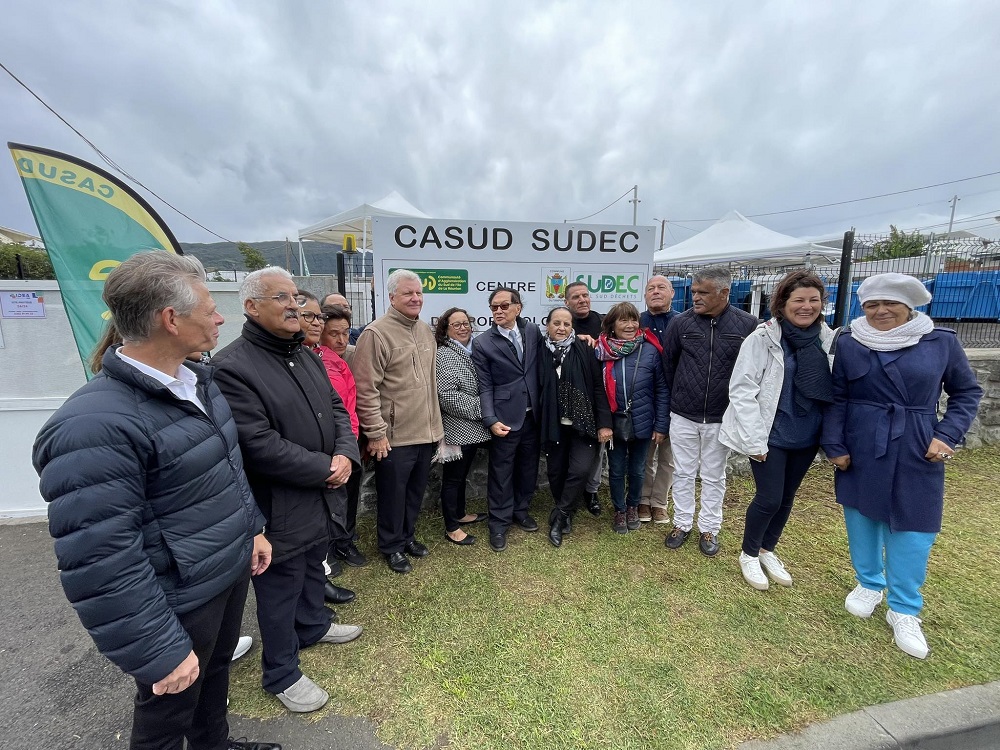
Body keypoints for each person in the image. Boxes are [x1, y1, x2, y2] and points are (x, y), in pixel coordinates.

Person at [33, 251, 279, 750]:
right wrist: (158, 648)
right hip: (178, 597)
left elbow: (224, 469)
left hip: (222, 572)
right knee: (166, 716)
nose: (220, 318)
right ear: (171, 319)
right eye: (210, 308)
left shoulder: (197, 382)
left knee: (214, 677)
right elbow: (101, 558)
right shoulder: (93, 425)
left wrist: (250, 528)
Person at [212, 266, 363, 714]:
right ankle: (281, 672)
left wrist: (345, 454)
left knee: (314, 564)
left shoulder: (305, 353)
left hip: (321, 490)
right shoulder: (232, 366)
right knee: (279, 588)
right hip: (278, 501)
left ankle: (313, 624)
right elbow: (258, 444)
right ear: (251, 306)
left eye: (295, 296)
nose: (294, 306)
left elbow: (336, 408)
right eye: (280, 297)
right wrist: (324, 468)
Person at [821, 273, 981, 659]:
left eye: (889, 303)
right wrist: (834, 443)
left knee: (914, 525)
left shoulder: (940, 341)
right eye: (872, 304)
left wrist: (947, 435)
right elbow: (838, 396)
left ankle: (905, 608)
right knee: (861, 515)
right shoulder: (851, 340)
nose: (880, 311)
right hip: (862, 441)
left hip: (916, 442)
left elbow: (966, 392)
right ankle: (868, 583)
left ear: (909, 306)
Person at [720, 271, 835, 591]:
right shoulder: (762, 339)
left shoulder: (828, 339)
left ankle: (767, 550)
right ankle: (748, 554)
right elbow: (742, 390)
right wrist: (754, 440)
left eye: (814, 300)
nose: (806, 306)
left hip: (807, 434)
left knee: (786, 498)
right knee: (769, 498)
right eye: (799, 300)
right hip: (771, 435)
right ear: (782, 303)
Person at [352, 269, 444, 574]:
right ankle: (391, 546)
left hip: (425, 432)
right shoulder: (376, 334)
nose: (415, 298)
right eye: (408, 293)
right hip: (393, 436)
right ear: (392, 297)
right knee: (393, 496)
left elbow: (429, 384)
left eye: (418, 292)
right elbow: (365, 389)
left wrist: (437, 429)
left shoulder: (424, 330)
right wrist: (376, 433)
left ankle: (407, 537)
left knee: (415, 492)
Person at [661, 266, 757, 557]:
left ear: (724, 292)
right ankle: (681, 523)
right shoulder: (680, 323)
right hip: (683, 414)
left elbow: (752, 370)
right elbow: (669, 365)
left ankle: (709, 528)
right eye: (694, 292)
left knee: (714, 474)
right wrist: (681, 396)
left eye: (703, 292)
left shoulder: (748, 325)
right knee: (683, 471)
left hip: (720, 415)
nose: (696, 297)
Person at [295, 291, 363, 603]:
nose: (339, 339)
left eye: (317, 317)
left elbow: (347, 406)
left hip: (346, 446)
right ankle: (325, 562)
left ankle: (342, 544)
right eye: (307, 316)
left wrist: (350, 445)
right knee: (320, 510)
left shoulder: (331, 360)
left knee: (346, 500)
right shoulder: (302, 359)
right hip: (317, 452)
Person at [471, 286, 543, 552]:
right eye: (494, 307)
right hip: (504, 419)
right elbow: (485, 385)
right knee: (501, 473)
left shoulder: (532, 331)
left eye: (504, 306)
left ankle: (520, 511)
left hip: (533, 415)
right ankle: (499, 523)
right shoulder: (483, 342)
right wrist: (490, 418)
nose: (498, 311)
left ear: (518, 308)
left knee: (528, 468)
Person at [538, 306, 613, 546]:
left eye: (566, 324)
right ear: (547, 325)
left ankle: (560, 515)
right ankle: (566, 510)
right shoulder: (538, 350)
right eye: (556, 323)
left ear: (572, 327)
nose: (561, 328)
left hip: (583, 423)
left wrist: (604, 424)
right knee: (556, 471)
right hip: (553, 424)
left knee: (580, 469)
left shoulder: (584, 348)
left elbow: (598, 387)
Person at [595, 302, 670, 534]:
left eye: (633, 320)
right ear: (612, 325)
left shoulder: (650, 350)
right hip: (613, 422)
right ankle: (619, 509)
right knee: (616, 469)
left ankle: (632, 507)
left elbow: (662, 390)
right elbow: (596, 390)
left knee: (638, 470)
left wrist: (661, 425)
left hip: (643, 421)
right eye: (623, 320)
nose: (630, 325)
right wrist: (602, 423)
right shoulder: (600, 349)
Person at [434, 307, 491, 545]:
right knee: (453, 479)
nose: (463, 327)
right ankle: (452, 528)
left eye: (466, 323)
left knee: (461, 476)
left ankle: (459, 514)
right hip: (457, 428)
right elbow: (447, 396)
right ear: (445, 329)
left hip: (472, 429)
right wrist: (485, 408)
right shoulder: (445, 354)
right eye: (456, 324)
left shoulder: (472, 349)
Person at [318, 303, 367, 569]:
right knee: (335, 497)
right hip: (333, 444)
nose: (341, 339)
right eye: (333, 333)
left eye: (346, 333)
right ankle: (333, 548)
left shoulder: (340, 360)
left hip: (350, 439)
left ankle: (344, 541)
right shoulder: (319, 362)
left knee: (349, 494)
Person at [638, 275, 678, 524]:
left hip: (676, 399)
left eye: (661, 287)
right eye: (651, 288)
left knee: (668, 458)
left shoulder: (683, 322)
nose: (655, 292)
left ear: (672, 293)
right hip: (645, 399)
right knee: (645, 455)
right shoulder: (636, 322)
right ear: (644, 295)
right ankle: (643, 499)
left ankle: (660, 503)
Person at [564, 280, 604, 516]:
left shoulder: (603, 323)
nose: (582, 300)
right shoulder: (563, 324)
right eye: (576, 297)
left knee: (597, 449)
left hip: (597, 394)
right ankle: (569, 490)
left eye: (585, 295)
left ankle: (591, 491)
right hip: (569, 397)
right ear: (567, 302)